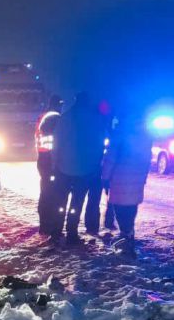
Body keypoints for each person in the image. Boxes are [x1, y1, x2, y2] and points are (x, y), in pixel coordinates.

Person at [51, 92, 107, 244]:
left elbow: (57, 142)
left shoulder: (65, 118)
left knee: (60, 201)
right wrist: (96, 163)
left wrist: (54, 163)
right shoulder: (95, 120)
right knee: (77, 202)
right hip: (86, 169)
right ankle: (71, 231)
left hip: (64, 167)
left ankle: (56, 231)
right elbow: (99, 143)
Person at [101, 114, 152, 247]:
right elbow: (147, 160)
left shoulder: (119, 136)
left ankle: (125, 234)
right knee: (131, 207)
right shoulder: (145, 137)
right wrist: (143, 177)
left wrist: (105, 177)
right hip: (137, 178)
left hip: (120, 178)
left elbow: (110, 159)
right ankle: (129, 232)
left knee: (120, 207)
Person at [35, 95, 63, 235]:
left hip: (43, 159)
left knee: (45, 192)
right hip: (51, 161)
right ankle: (50, 226)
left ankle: (44, 225)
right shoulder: (54, 119)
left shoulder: (43, 117)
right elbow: (57, 142)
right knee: (52, 194)